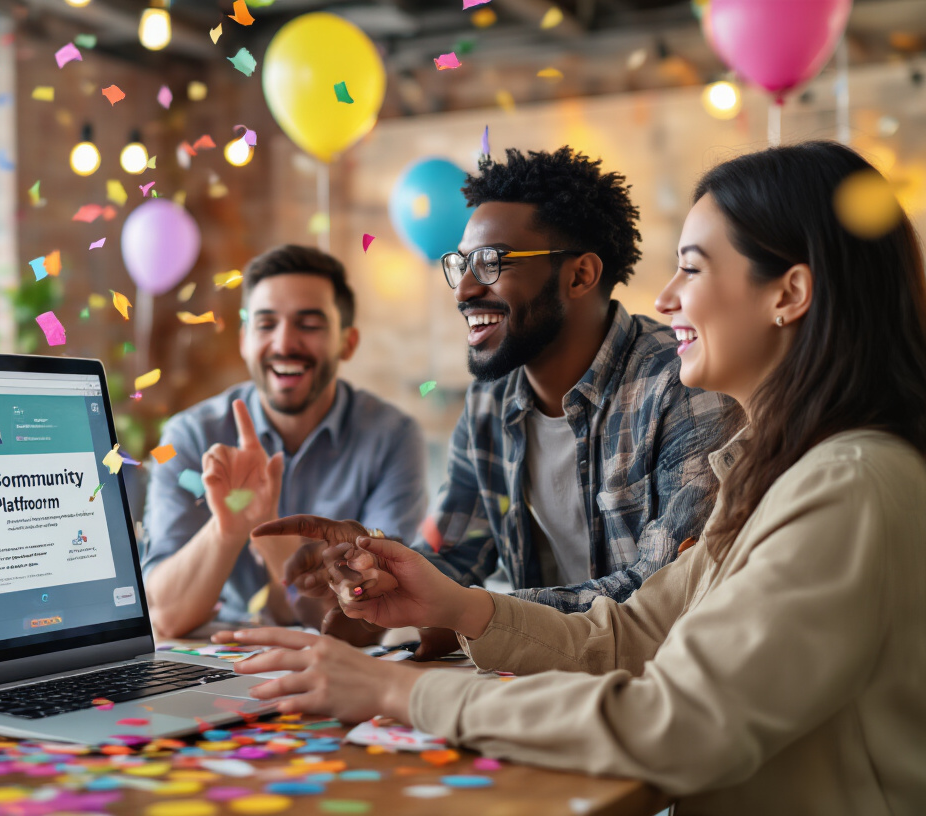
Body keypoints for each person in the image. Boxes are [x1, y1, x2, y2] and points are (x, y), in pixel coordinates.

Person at [218, 142, 926, 813]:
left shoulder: (846, 486)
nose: (667, 297)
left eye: (692, 268)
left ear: (790, 293)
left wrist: (397, 693)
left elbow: (679, 721)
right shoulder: (776, 475)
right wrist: (436, 598)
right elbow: (633, 632)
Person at [286, 146, 734, 657]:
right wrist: (377, 576)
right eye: (461, 264)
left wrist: (464, 613)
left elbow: (663, 597)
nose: (464, 289)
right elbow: (452, 558)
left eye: (491, 262)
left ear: (580, 276)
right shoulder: (489, 402)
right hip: (538, 680)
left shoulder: (685, 387)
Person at [141, 244, 426, 638]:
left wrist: (266, 530)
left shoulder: (393, 438)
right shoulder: (189, 435)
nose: (284, 343)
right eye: (266, 324)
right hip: (219, 654)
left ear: (347, 342)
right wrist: (227, 530)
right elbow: (165, 616)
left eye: (309, 324)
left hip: (342, 656)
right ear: (244, 340)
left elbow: (374, 611)